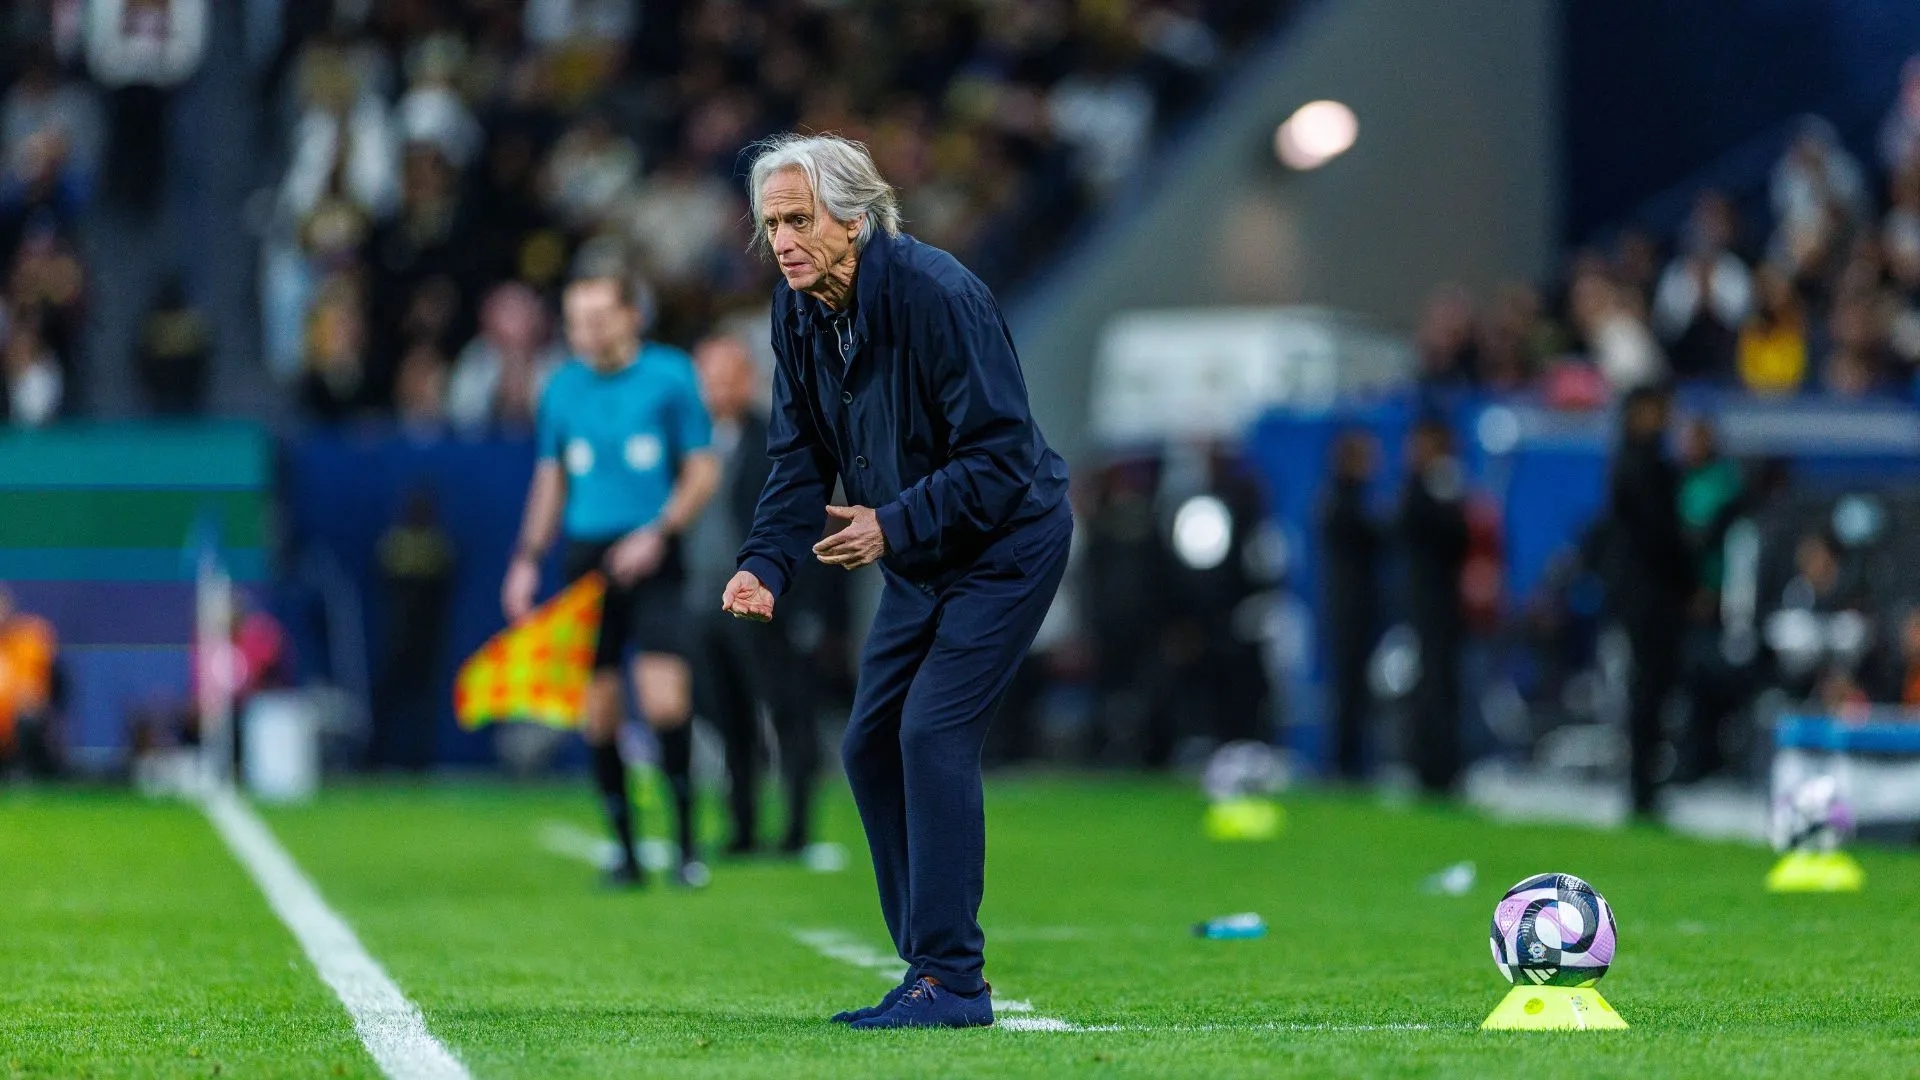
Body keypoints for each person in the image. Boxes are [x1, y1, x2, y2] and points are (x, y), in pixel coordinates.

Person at [723, 134, 1071, 1030]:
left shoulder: (940, 295)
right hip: (918, 555)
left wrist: (891, 522)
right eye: (772, 226)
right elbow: (798, 459)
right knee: (869, 746)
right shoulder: (795, 312)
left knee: (929, 735)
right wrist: (765, 565)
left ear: (855, 217)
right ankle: (928, 965)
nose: (785, 242)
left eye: (800, 221)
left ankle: (952, 980)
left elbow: (1000, 458)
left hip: (1005, 545)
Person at [502, 272, 720, 889]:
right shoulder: (561, 388)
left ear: (631, 315)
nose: (587, 330)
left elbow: (701, 470)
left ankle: (683, 846)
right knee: (598, 713)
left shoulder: (671, 376)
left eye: (599, 315)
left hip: (654, 556)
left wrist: (659, 531)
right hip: (586, 559)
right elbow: (551, 480)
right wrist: (525, 558)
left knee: (664, 701)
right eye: (576, 319)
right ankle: (624, 852)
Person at [688, 333, 822, 857]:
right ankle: (741, 826)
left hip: (763, 605)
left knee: (788, 713)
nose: (719, 387)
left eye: (728, 375)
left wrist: (800, 604)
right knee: (727, 717)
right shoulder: (689, 445)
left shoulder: (775, 442)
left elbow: (800, 521)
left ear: (748, 380)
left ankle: (796, 828)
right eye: (710, 376)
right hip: (704, 605)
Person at [1605, 384, 1692, 817]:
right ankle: (1643, 785)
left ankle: (1645, 782)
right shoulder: (1643, 467)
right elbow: (1662, 535)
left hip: (1646, 593)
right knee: (1648, 689)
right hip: (1650, 596)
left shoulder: (1634, 463)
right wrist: (1688, 574)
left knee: (1651, 689)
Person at [1399, 417, 1468, 796]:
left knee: (1442, 683)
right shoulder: (1422, 488)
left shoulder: (1442, 484)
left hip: (1442, 600)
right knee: (1429, 683)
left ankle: (1442, 766)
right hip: (1425, 600)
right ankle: (1428, 765)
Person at [1321, 429, 1382, 782]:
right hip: (1349, 608)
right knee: (1348, 688)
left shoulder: (1347, 500)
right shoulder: (1343, 503)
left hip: (1353, 606)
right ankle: (1345, 763)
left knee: (1353, 689)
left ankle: (1350, 760)